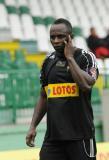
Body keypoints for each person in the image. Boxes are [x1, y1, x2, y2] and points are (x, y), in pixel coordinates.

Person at [26, 18, 99, 160]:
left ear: (70, 37)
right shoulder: (48, 61)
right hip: (53, 139)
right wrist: (33, 126)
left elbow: (86, 85)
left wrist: (70, 58)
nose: (56, 40)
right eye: (52, 37)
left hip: (81, 137)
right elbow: (43, 96)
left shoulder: (85, 57)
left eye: (60, 36)